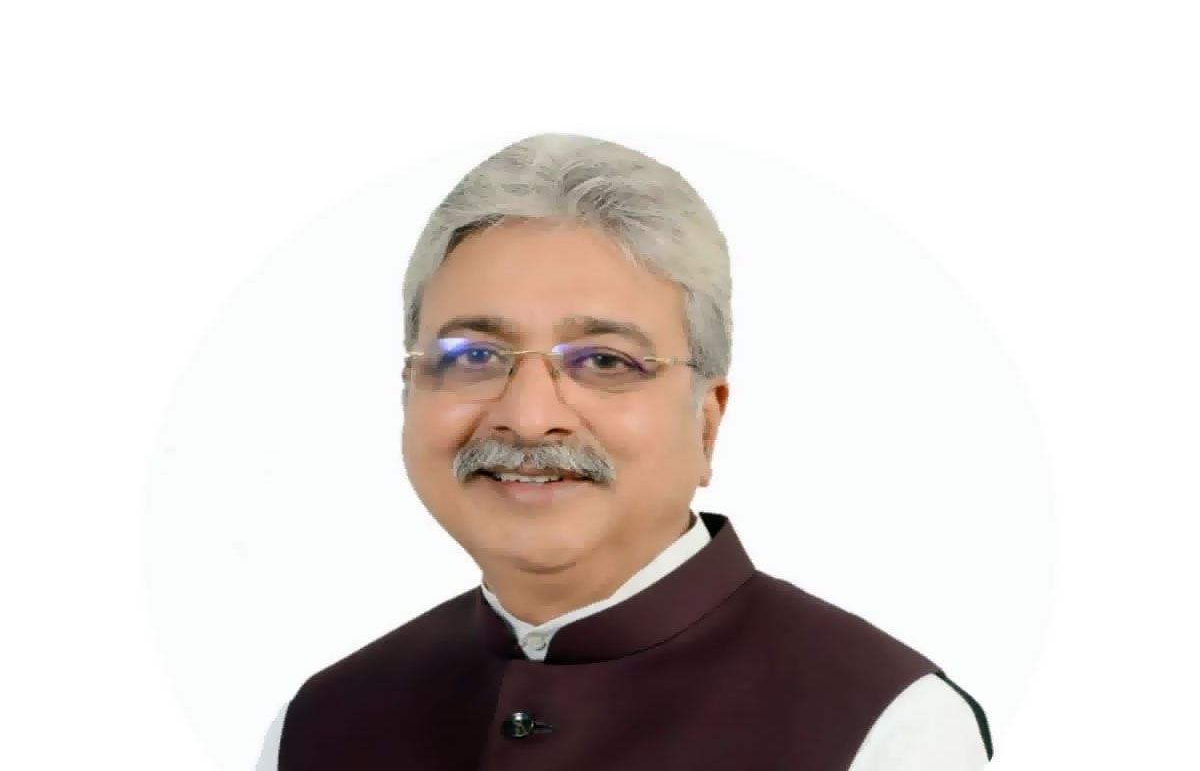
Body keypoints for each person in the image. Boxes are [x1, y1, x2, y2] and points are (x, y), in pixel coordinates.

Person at [256, 133, 993, 770]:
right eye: (474, 355)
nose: (529, 418)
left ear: (706, 423)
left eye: (604, 361)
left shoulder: (886, 727)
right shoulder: (319, 726)